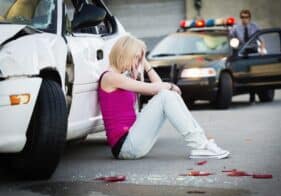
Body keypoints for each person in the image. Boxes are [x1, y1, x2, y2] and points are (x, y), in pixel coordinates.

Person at [98, 35, 230, 160]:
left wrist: (145, 62)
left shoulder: (122, 77)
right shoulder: (110, 77)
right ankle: (200, 145)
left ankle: (202, 143)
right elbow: (152, 89)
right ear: (124, 54)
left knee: (166, 94)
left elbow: (158, 86)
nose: (136, 63)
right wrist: (171, 86)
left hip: (134, 139)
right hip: (125, 146)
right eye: (135, 58)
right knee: (166, 95)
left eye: (138, 59)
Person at [230, 9, 265, 103]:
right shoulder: (236, 28)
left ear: (249, 18)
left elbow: (261, 40)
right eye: (242, 17)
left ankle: (252, 96)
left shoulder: (254, 27)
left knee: (252, 74)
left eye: (246, 17)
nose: (244, 19)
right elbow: (230, 38)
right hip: (242, 52)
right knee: (243, 73)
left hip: (252, 51)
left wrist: (261, 50)